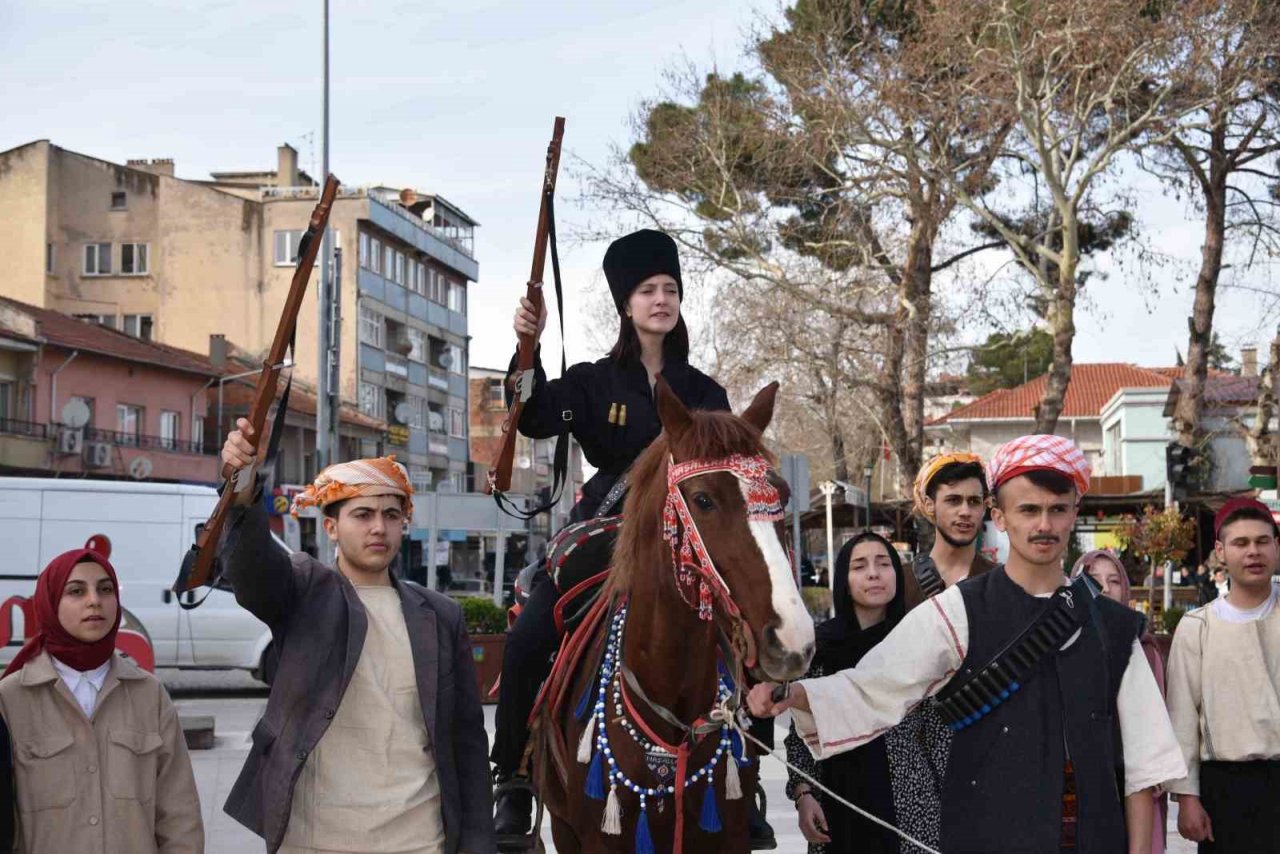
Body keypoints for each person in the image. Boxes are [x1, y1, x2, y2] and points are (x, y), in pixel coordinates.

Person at [749, 434, 1187, 853]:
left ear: (1075, 513)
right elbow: (877, 684)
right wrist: (796, 693)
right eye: (1028, 509)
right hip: (983, 831)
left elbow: (1145, 769)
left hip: (1092, 837)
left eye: (1057, 509)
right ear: (1000, 516)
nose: (1043, 524)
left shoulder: (1115, 627)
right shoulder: (957, 610)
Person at [490, 229, 766, 841]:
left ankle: (746, 775)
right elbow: (531, 416)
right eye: (648, 290)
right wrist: (525, 346)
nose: (661, 299)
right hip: (604, 533)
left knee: (743, 633)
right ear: (626, 304)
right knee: (529, 637)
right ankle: (510, 776)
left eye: (670, 289)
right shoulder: (592, 382)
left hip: (686, 539)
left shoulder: (704, 392)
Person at [218, 427, 495, 854]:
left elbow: (467, 742)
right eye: (363, 515)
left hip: (419, 838)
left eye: (391, 515)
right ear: (331, 526)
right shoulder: (303, 590)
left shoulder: (440, 615)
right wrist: (243, 488)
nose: (379, 528)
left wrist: (479, 842)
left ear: (405, 524)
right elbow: (251, 568)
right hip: (316, 839)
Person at [0, 548, 202, 853]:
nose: (94, 600)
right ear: (50, 603)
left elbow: (179, 815)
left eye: (105, 589)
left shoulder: (149, 694)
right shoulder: (11, 699)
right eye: (76, 591)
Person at [880, 452, 997, 851]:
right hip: (910, 760)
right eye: (953, 500)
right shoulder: (898, 587)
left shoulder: (1000, 586)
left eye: (974, 501)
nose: (965, 512)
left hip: (987, 758)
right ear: (929, 506)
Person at [1165, 497, 1280, 852]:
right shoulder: (1197, 627)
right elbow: (1182, 716)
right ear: (1220, 551)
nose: (1253, 552)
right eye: (1241, 543)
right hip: (1226, 788)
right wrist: (1187, 797)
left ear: (1277, 546)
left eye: (1262, 541)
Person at [784, 532, 906, 853]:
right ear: (844, 580)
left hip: (906, 799)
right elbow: (800, 733)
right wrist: (803, 794)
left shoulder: (916, 643)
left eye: (884, 564)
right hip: (838, 796)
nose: (873, 573)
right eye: (859, 566)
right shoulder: (820, 647)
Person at [1071, 549, 1168, 854]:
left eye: (1114, 580)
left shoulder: (1144, 649)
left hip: (1133, 786)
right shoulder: (1060, 647)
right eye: (1092, 579)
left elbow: (1151, 740)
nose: (1104, 588)